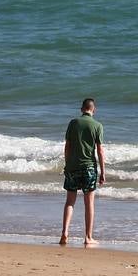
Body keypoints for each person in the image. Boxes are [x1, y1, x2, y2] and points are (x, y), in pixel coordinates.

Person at [60, 97, 106, 247]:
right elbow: (99, 151)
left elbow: (67, 147)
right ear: (94, 109)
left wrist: (67, 165)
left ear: (81, 109)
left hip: (73, 167)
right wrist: (103, 172)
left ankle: (65, 232)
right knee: (89, 204)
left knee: (70, 202)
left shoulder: (73, 123)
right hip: (89, 168)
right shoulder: (98, 125)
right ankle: (88, 237)